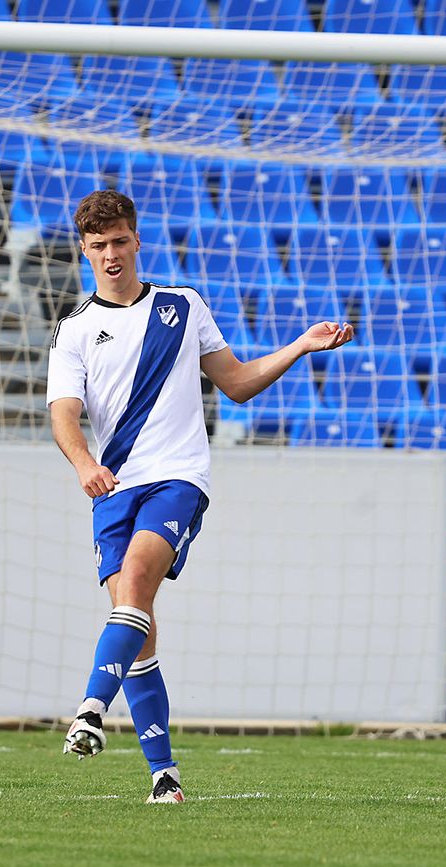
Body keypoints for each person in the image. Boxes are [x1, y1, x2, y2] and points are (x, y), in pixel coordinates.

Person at [46, 189, 354, 804]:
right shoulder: (76, 329)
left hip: (177, 477)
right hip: (113, 487)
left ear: (138, 242)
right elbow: (64, 413)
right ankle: (165, 776)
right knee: (139, 628)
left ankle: (87, 710)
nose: (111, 255)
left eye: (120, 242)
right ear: (85, 253)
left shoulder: (182, 306)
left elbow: (236, 383)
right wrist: (83, 463)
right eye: (98, 246)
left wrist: (298, 346)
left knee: (135, 582)